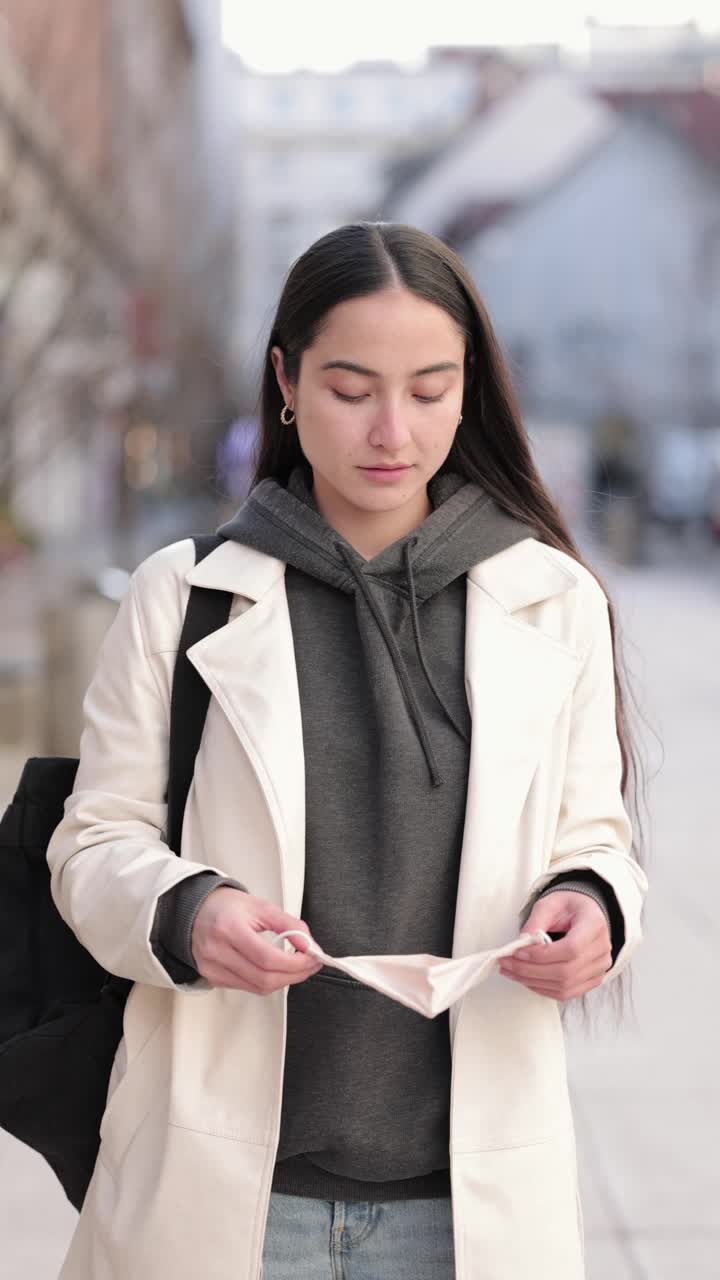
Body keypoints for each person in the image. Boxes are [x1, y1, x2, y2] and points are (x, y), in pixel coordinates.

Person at [47, 223, 648, 1280]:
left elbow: (594, 834)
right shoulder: (182, 597)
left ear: (469, 390)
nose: (391, 429)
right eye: (351, 386)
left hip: (466, 1210)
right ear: (285, 379)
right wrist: (192, 911)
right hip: (224, 1193)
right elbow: (92, 846)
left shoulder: (551, 601)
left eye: (428, 388)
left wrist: (594, 907)